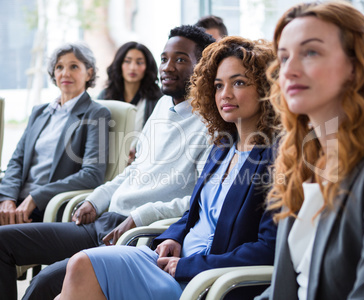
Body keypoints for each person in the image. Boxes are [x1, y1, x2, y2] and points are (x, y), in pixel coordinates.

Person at [0, 25, 215, 300]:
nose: (167, 67)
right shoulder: (163, 107)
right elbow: (135, 170)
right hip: (103, 221)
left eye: (181, 59)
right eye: (164, 59)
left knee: (44, 283)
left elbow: (198, 201)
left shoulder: (210, 125)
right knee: (3, 242)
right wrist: (96, 200)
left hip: (134, 234)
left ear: (203, 67)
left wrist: (141, 215)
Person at [56, 36, 279, 300]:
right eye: (218, 85)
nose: (225, 94)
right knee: (78, 269)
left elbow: (268, 249)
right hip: (172, 263)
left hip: (205, 281)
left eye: (239, 82)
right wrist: (173, 238)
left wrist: (187, 266)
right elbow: (194, 213)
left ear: (266, 88)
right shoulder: (222, 147)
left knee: (80, 270)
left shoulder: (275, 158)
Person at [255, 2, 364, 300]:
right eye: (283, 58)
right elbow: (286, 287)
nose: (290, 70)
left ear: (354, 66)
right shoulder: (299, 162)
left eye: (310, 52)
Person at [0, 42, 110, 225]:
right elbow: (17, 161)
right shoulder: (39, 112)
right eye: (59, 67)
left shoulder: (96, 114)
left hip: (47, 207)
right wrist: (6, 199)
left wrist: (36, 197)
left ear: (89, 73)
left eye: (73, 66)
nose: (65, 73)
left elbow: (92, 174)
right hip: (15, 203)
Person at [98, 41, 163, 162]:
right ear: (119, 64)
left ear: (147, 67)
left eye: (139, 62)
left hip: (144, 163)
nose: (133, 67)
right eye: (127, 61)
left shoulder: (158, 99)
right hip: (110, 163)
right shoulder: (105, 97)